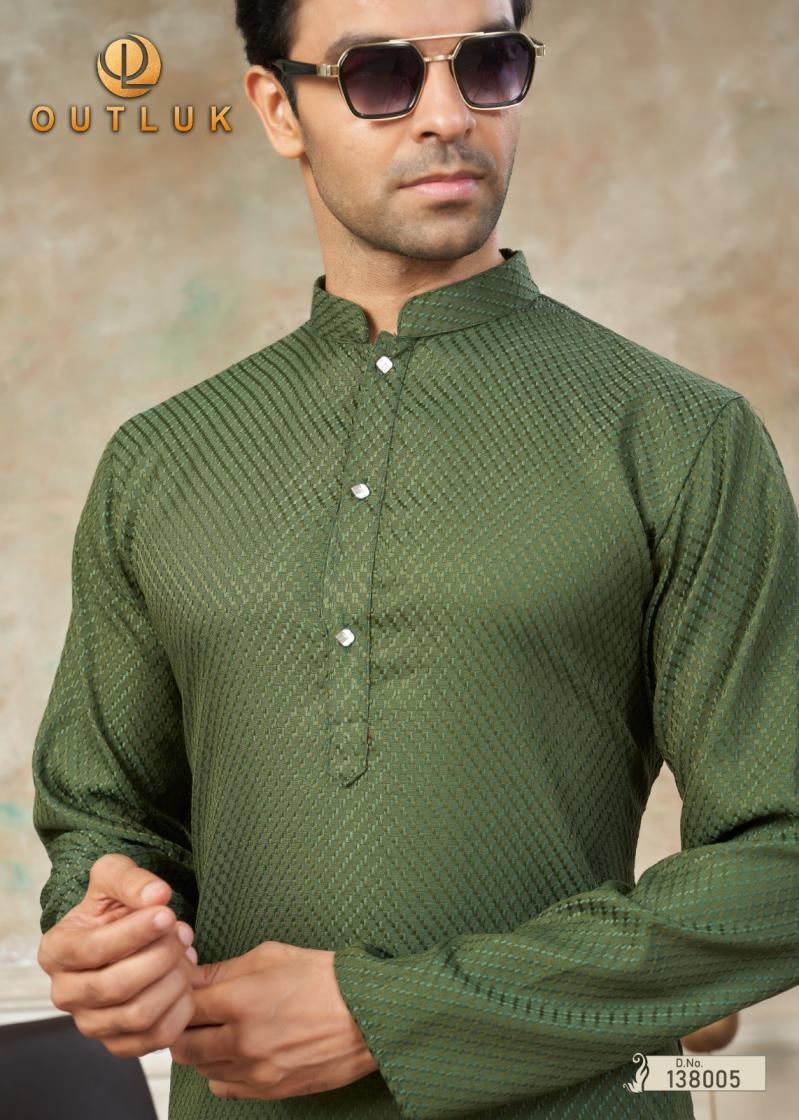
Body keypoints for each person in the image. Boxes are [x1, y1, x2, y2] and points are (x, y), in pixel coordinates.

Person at [32, 1, 798, 1118]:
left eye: (487, 63)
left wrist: (387, 1013)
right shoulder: (162, 460)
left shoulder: (678, 437)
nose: (448, 115)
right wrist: (104, 925)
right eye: (381, 74)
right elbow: (102, 818)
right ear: (278, 108)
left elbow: (783, 853)